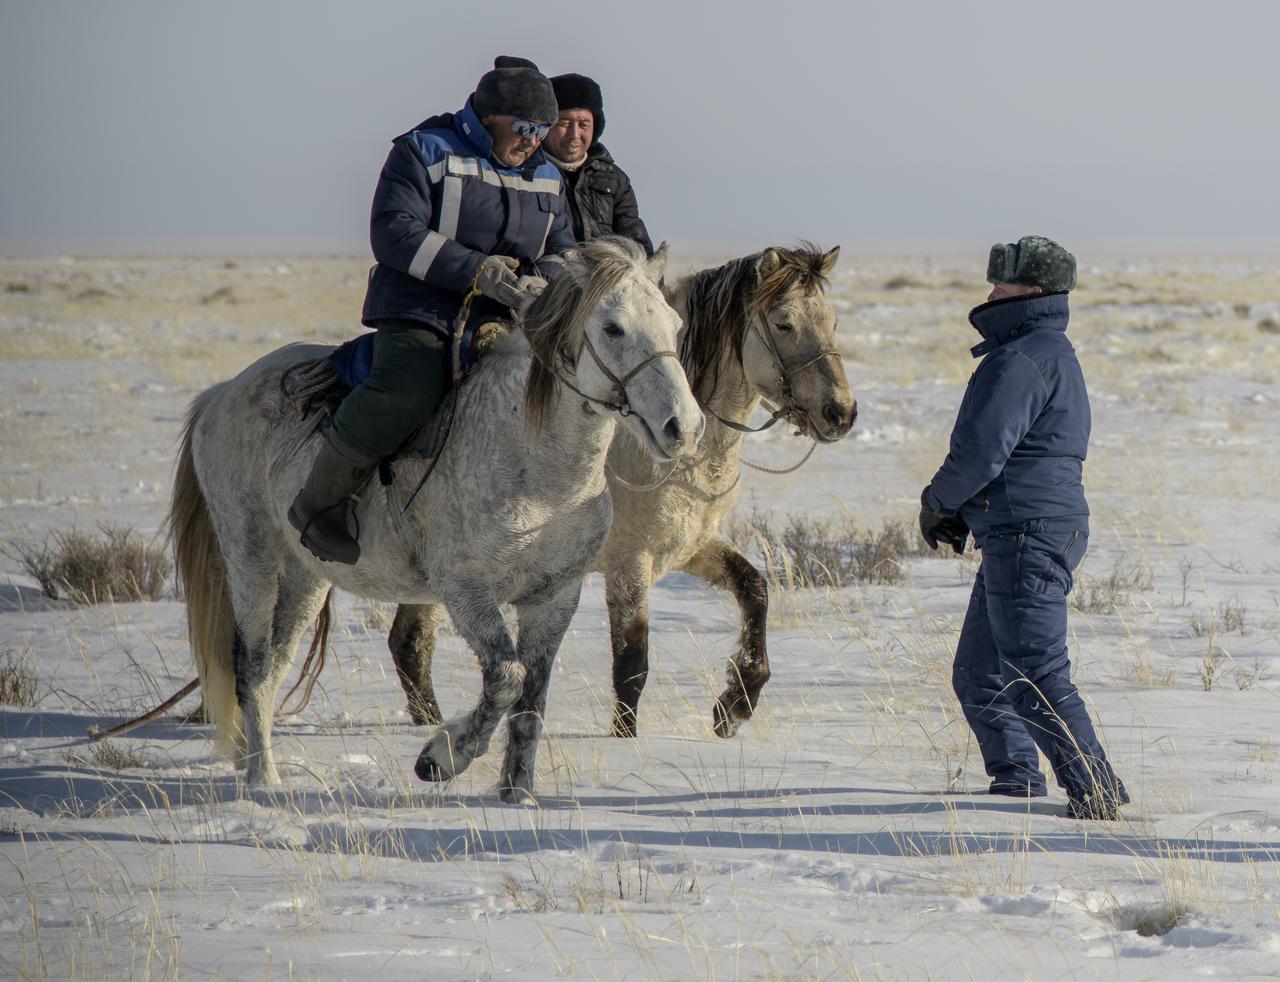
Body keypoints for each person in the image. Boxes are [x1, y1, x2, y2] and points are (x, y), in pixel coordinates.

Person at [289, 56, 575, 565]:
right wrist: (475, 271)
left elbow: (565, 251)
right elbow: (394, 231)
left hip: (509, 316)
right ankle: (319, 504)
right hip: (421, 310)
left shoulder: (548, 178)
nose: (536, 139)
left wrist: (544, 279)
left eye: (544, 130)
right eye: (527, 127)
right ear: (489, 117)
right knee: (408, 391)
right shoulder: (425, 151)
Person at [918, 235, 1129, 820]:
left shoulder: (1021, 359)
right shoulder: (1047, 351)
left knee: (1033, 673)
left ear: (1032, 292)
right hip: (1024, 526)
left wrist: (938, 503)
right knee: (979, 673)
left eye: (1001, 285)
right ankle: (1017, 781)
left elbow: (983, 452)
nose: (990, 293)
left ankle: (1097, 792)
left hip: (1027, 532)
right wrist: (965, 512)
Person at [542, 73, 654, 255]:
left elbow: (636, 242)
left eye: (583, 124)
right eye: (564, 123)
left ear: (596, 126)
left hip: (608, 278)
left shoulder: (615, 179)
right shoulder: (531, 173)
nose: (574, 135)